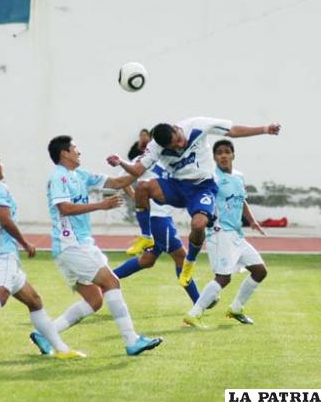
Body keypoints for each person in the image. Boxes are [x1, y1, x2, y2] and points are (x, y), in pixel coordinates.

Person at [107, 117, 280, 288]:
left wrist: (265, 129)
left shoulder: (197, 126)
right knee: (143, 187)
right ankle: (146, 237)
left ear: (177, 128)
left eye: (179, 140)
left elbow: (233, 130)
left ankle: (190, 262)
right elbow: (137, 170)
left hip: (202, 187)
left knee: (198, 225)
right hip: (177, 187)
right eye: (174, 146)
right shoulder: (155, 148)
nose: (180, 146)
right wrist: (120, 162)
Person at [30, 135, 162, 357]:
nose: (79, 152)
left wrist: (134, 164)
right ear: (64, 153)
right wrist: (101, 205)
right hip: (73, 245)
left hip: (72, 247)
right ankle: (131, 340)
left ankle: (46, 334)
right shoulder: (59, 177)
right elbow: (65, 208)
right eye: (75, 148)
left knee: (94, 300)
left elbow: (118, 183)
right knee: (111, 282)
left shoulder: (80, 175)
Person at [0, 149, 84, 360]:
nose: (2, 166)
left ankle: (62, 350)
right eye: (0, 163)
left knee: (35, 301)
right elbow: (5, 220)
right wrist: (25, 243)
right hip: (4, 252)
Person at [183, 139, 267, 327]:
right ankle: (194, 314)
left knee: (260, 271)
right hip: (220, 234)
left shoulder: (238, 177)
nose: (223, 155)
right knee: (224, 278)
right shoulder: (212, 178)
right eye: (219, 152)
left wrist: (252, 221)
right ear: (214, 157)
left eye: (226, 152)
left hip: (236, 235)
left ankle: (236, 308)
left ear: (233, 155)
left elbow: (242, 200)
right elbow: (201, 198)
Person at [114, 162, 202, 306]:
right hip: (158, 219)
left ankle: (105, 280)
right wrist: (136, 196)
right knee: (182, 257)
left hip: (162, 218)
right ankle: (199, 303)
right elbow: (122, 179)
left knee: (147, 260)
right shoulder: (147, 161)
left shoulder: (172, 160)